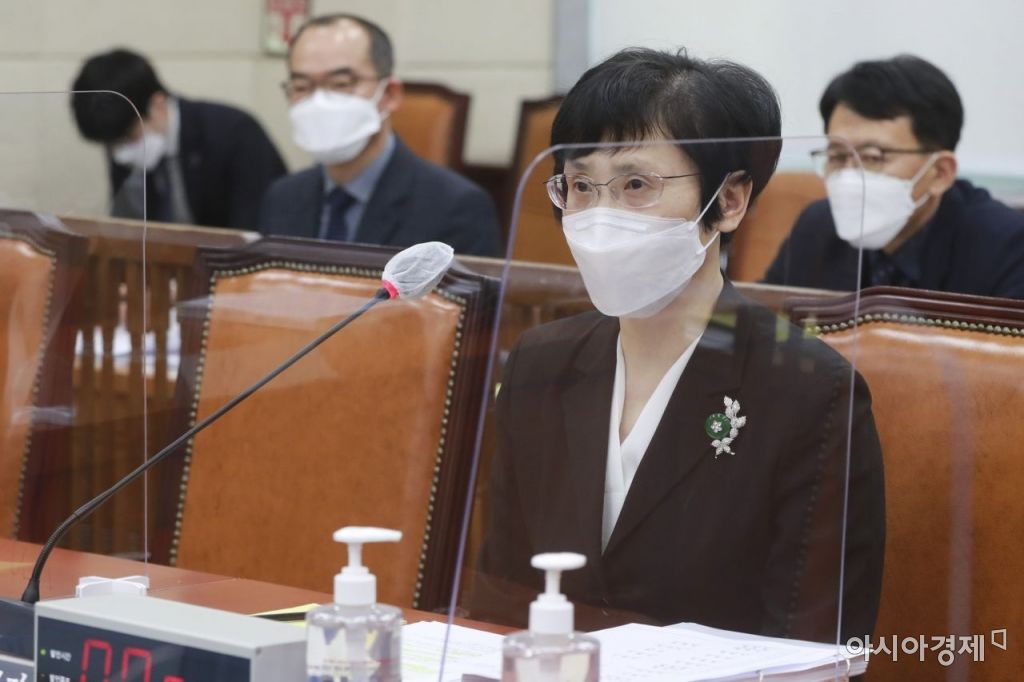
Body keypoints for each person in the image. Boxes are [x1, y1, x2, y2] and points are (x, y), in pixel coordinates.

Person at [473, 48, 886, 644]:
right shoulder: (542, 361)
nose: (601, 216)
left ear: (729, 201)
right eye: (581, 185)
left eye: (636, 184)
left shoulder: (809, 390)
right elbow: (501, 597)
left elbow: (815, 644)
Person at [764, 55, 1024, 298]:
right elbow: (763, 319)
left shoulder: (1008, 247)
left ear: (940, 173)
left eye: (872, 157)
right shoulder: (817, 227)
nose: (848, 176)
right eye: (837, 156)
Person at [258, 13, 501, 257]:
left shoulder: (455, 206)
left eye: (341, 83)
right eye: (301, 86)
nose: (319, 101)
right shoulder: (282, 197)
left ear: (390, 95)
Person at [71, 49, 287, 229]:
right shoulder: (121, 145)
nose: (120, 152)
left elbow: (255, 233)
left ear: (158, 106)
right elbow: (129, 228)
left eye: (128, 138)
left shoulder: (234, 133)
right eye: (112, 145)